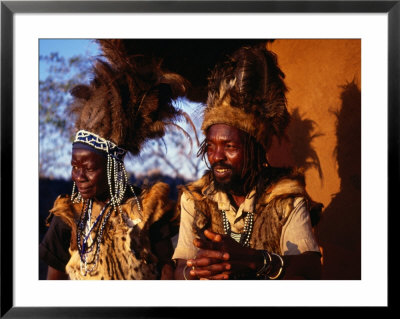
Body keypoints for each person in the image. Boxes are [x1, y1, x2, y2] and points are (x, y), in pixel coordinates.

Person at [39, 39, 190, 280]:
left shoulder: (148, 211)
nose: (78, 176)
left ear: (112, 166)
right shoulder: (67, 218)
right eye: (74, 167)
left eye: (88, 168)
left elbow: (168, 273)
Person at [172, 44, 323, 280]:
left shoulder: (285, 197)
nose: (217, 156)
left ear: (255, 150)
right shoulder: (196, 198)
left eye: (229, 146)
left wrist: (255, 261)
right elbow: (181, 269)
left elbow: (311, 271)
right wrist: (199, 269)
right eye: (210, 146)